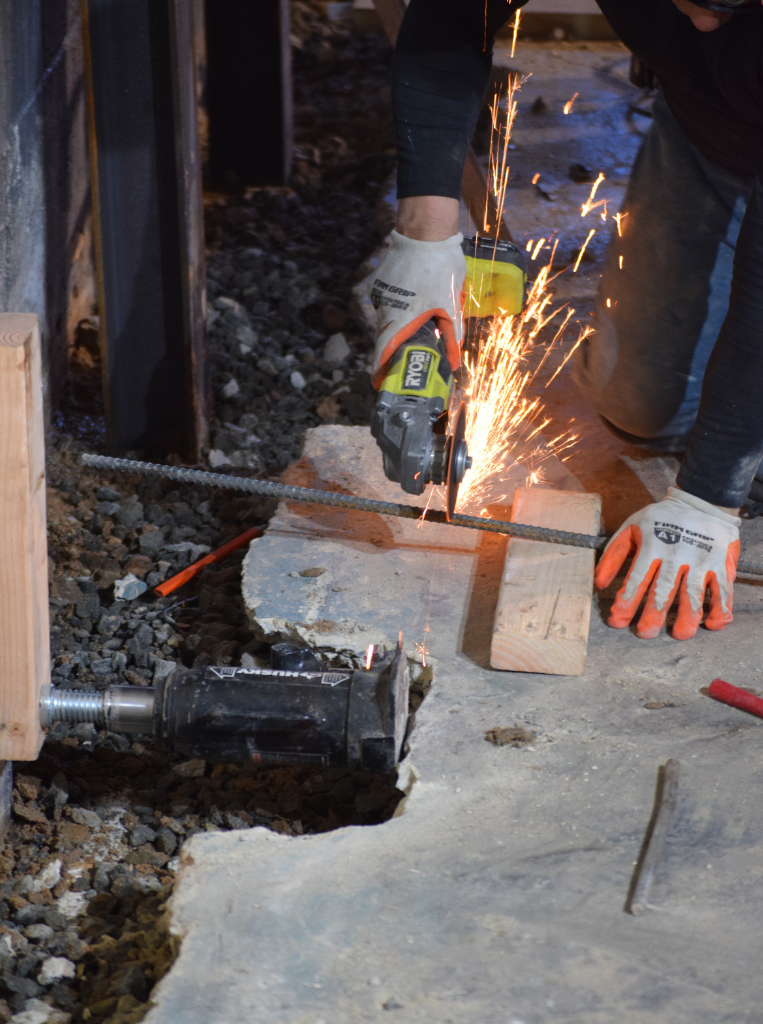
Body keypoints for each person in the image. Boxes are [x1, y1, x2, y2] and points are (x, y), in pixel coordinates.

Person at [370, 0, 763, 641]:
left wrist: (708, 497)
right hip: (709, 132)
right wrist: (423, 238)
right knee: (643, 406)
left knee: (733, 432)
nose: (702, 24)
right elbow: (451, 16)